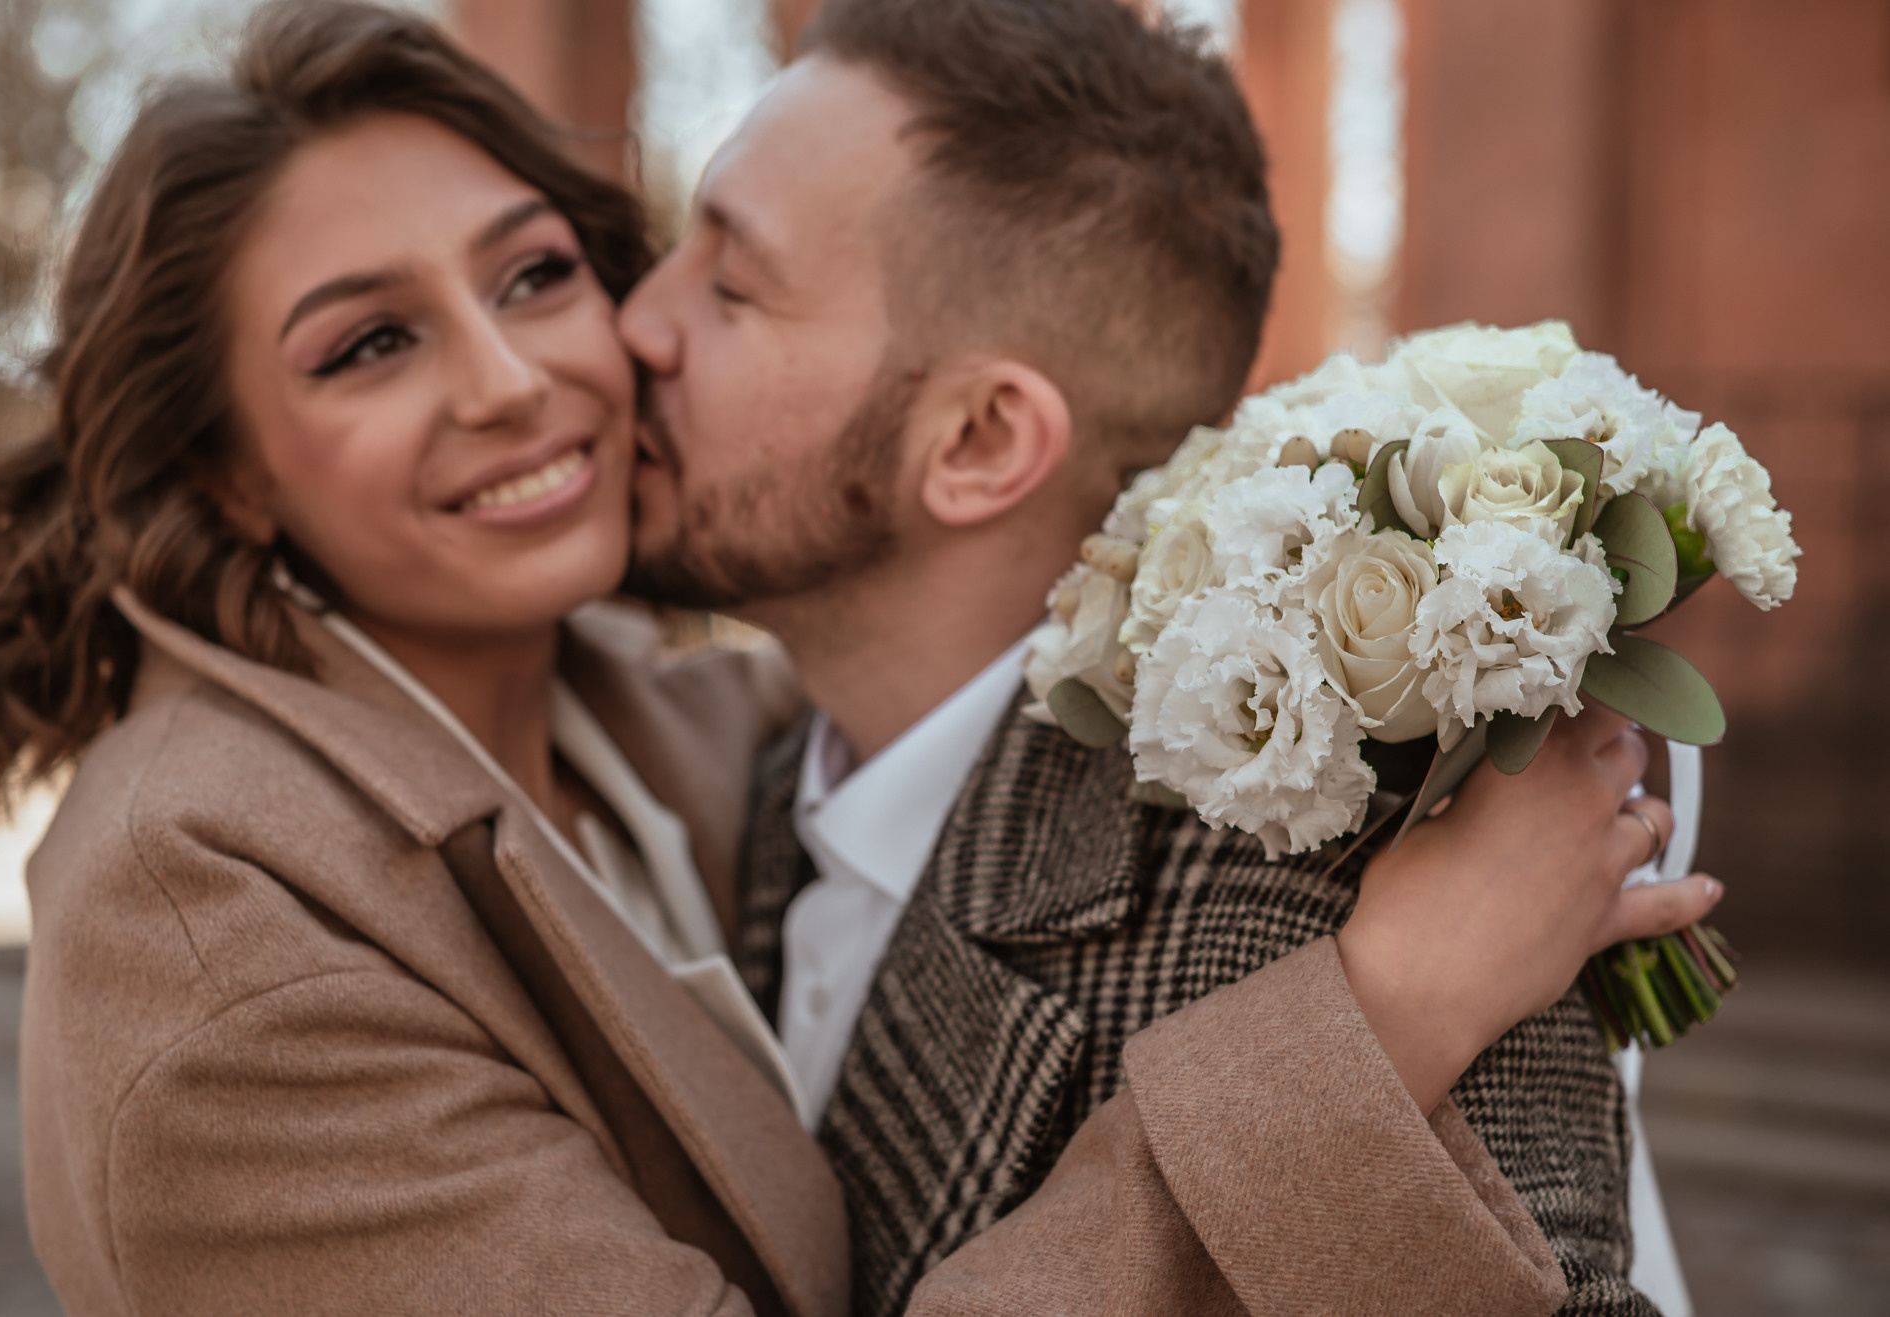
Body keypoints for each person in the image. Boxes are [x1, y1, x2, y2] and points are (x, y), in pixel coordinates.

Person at [0, 4, 1682, 1315]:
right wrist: (1365, 1029)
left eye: (545, 269)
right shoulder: (215, 905)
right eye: (371, 342)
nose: (596, 344)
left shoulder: (707, 749)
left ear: (981, 443)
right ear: (226, 467)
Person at [618, 0, 1722, 1313]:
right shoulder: (748, 792)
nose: (635, 324)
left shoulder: (1354, 901)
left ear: (976, 440)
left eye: (731, 285)